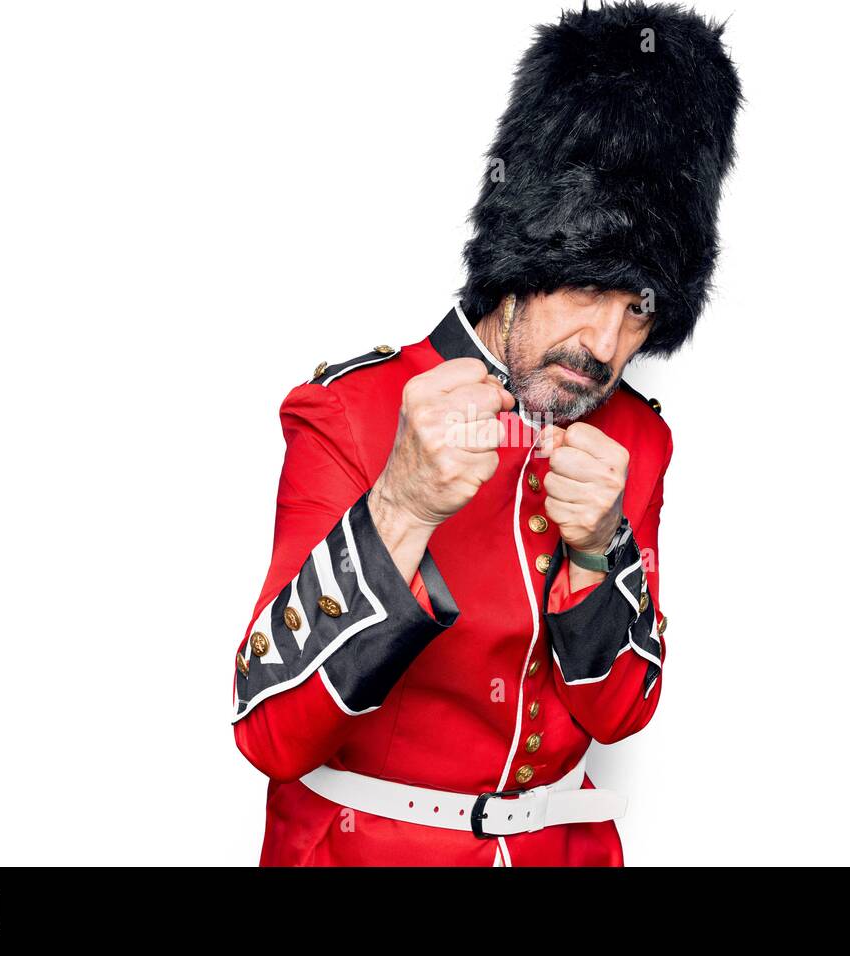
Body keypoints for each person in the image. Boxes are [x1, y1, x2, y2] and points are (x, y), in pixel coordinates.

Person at [230, 0, 743, 866]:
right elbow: (266, 736)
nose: (607, 348)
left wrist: (597, 552)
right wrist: (398, 503)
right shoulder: (351, 411)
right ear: (528, 253)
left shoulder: (638, 442)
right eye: (589, 288)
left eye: (637, 312)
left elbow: (620, 714)